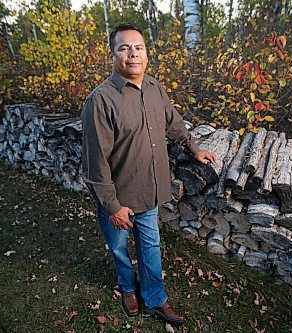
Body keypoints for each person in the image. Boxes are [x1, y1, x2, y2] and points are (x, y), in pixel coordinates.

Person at [81, 23, 216, 325]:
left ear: (146, 52)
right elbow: (94, 161)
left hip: (150, 190)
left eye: (138, 47)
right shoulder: (100, 100)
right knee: (118, 247)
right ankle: (128, 286)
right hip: (119, 198)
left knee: (150, 247)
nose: (132, 54)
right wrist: (112, 206)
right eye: (124, 48)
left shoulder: (155, 88)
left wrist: (194, 148)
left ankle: (155, 299)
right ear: (112, 54)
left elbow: (173, 123)